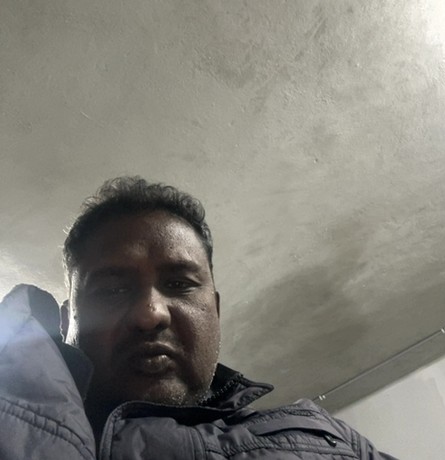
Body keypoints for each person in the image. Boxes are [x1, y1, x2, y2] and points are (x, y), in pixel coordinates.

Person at [0, 177, 398, 459]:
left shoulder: (335, 443)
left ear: (216, 311)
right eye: (112, 290)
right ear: (67, 322)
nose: (150, 314)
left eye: (178, 284)